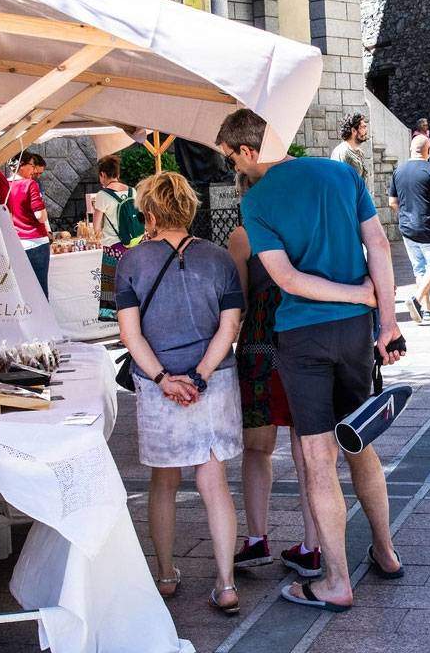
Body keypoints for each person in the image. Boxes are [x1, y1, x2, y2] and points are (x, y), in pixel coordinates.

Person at [216, 108, 404, 614]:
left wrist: (353, 295)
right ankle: (385, 551)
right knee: (360, 443)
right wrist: (384, 319)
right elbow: (379, 243)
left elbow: (288, 280)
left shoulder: (256, 202)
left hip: (302, 336)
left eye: (231, 157)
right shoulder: (340, 173)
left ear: (248, 150)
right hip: (355, 331)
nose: (233, 166)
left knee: (319, 459)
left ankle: (337, 581)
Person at [113, 172, 247, 615]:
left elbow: (129, 334)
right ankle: (226, 583)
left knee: (164, 481)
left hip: (159, 384)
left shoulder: (129, 262)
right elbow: (230, 327)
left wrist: (163, 379)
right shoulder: (220, 258)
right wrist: (201, 376)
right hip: (215, 380)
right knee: (213, 479)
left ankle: (167, 574)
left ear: (149, 213)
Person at [226, 171, 323, 579]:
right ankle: (313, 546)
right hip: (304, 345)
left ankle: (256, 539)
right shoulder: (306, 227)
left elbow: (239, 302)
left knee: (257, 448)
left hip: (259, 349)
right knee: (308, 452)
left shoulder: (242, 236)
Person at [388, 134, 430, 324]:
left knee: (419, 269)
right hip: (429, 227)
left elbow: (392, 202)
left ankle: (427, 310)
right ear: (428, 150)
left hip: (407, 228)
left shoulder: (398, 171)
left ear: (411, 149)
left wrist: (406, 214)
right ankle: (417, 299)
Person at [91, 156, 133, 322]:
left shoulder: (103, 195)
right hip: (134, 246)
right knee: (132, 285)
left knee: (113, 287)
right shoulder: (132, 191)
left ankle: (118, 320)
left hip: (113, 248)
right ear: (117, 173)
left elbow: (96, 227)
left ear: (103, 174)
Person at [7, 152, 52, 294]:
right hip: (36, 240)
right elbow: (40, 216)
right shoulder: (30, 184)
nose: (33, 169)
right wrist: (44, 212)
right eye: (32, 165)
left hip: (16, 242)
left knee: (22, 290)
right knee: (40, 289)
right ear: (21, 165)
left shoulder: (5, 184)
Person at [330, 113, 369, 182]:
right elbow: (340, 181)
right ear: (353, 131)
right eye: (363, 127)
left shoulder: (359, 152)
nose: (366, 130)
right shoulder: (343, 152)